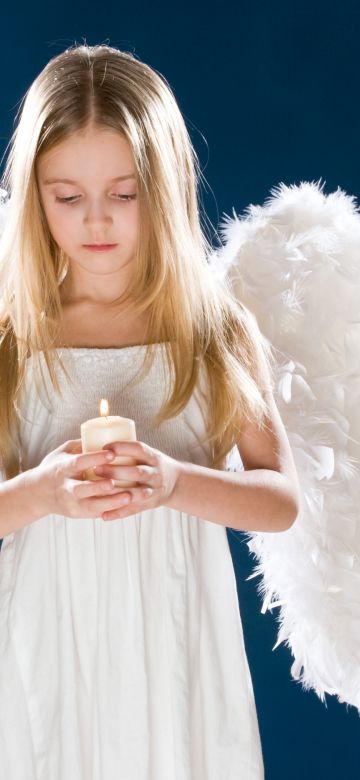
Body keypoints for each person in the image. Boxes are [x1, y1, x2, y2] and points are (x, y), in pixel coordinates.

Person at [0, 43, 300, 779]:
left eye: (124, 193)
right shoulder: (13, 338)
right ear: (32, 193)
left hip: (177, 638)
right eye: (67, 196)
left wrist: (173, 484)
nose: (95, 221)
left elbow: (280, 502)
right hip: (47, 640)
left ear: (163, 187)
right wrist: (42, 491)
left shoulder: (210, 330)